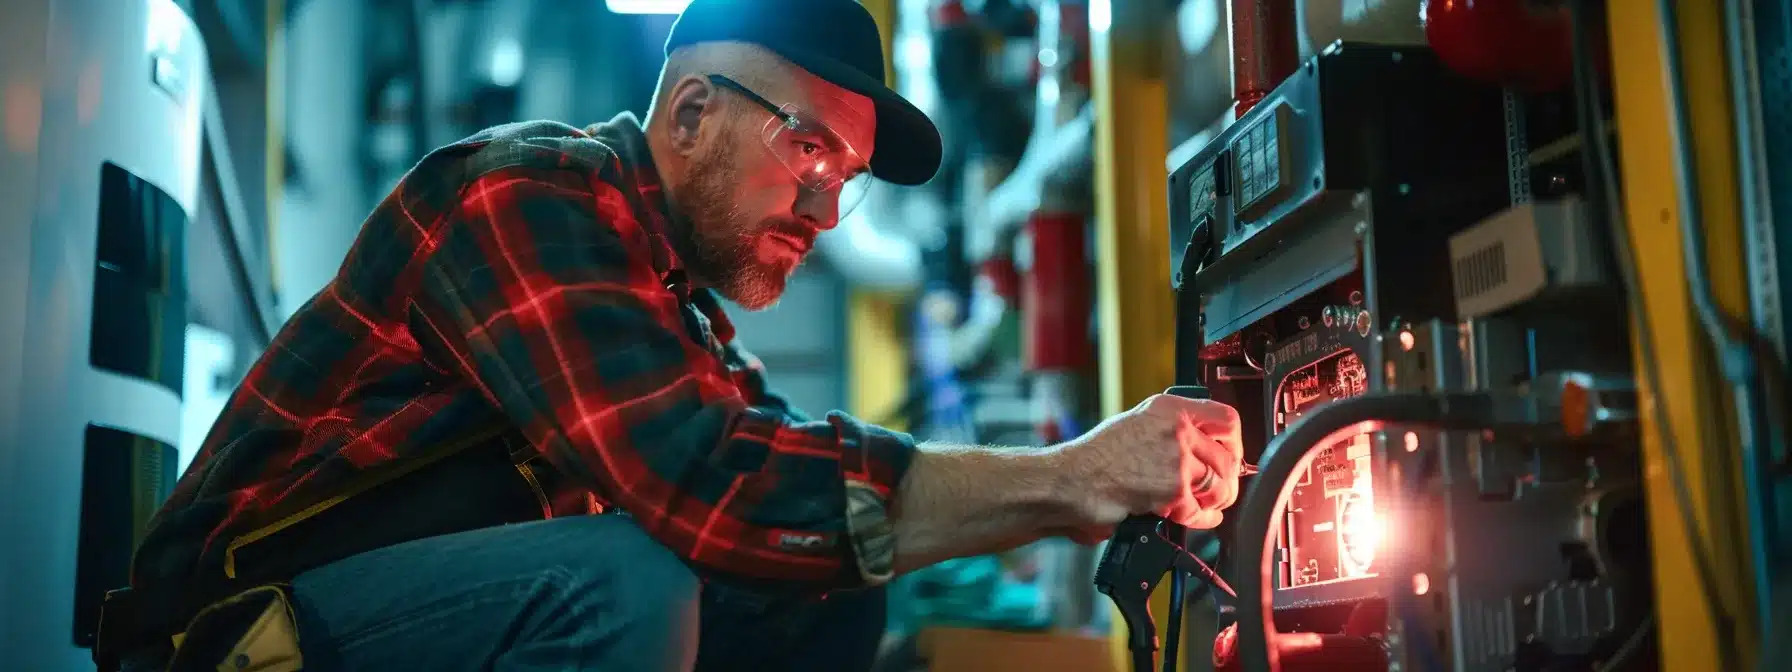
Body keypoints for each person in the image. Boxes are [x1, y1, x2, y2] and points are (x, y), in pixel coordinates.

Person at [119, 0, 1245, 670]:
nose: (823, 207)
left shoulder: (674, 305)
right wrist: (1074, 475)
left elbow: (786, 469)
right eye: (808, 150)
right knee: (624, 580)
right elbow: (713, 483)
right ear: (693, 113)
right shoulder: (529, 201)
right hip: (229, 643)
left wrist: (1077, 482)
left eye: (845, 179)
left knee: (821, 583)